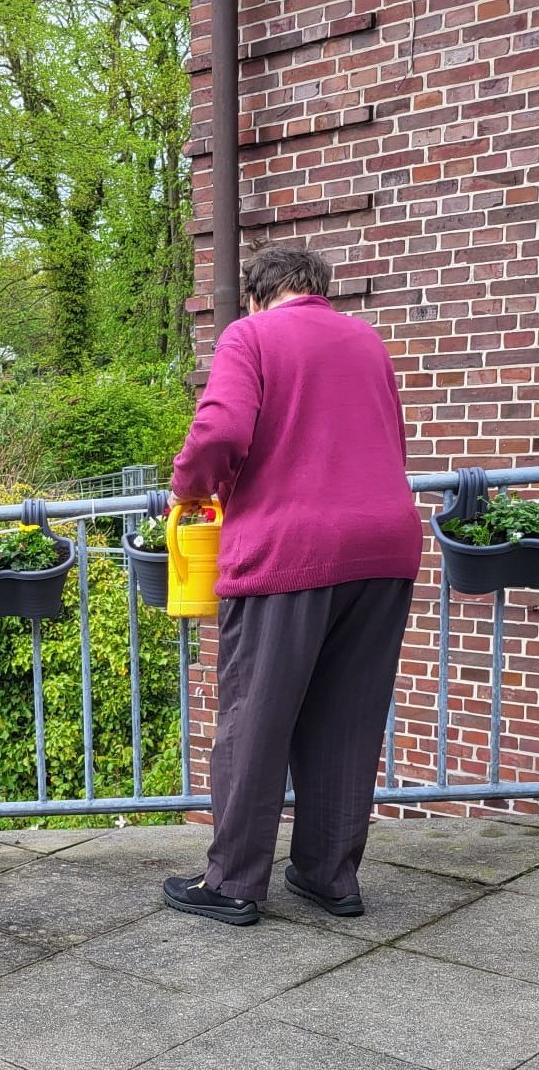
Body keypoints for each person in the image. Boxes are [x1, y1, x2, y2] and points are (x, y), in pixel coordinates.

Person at [161, 245, 423, 926]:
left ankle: (234, 883)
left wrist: (191, 486)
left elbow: (220, 428)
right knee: (348, 716)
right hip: (385, 546)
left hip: (289, 550)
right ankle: (330, 876)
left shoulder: (250, 335)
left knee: (256, 719)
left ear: (256, 295)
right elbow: (390, 439)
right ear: (319, 290)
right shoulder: (367, 340)